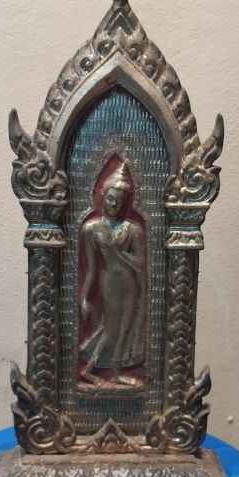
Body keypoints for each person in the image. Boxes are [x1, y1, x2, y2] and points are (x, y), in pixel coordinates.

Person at [79, 162, 146, 386]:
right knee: (110, 330)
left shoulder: (133, 230)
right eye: (110, 198)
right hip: (110, 283)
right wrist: (85, 299)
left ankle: (116, 374)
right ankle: (88, 370)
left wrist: (121, 253)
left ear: (125, 202)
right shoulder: (92, 229)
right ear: (102, 196)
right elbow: (91, 270)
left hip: (129, 285)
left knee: (125, 329)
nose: (113, 204)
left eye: (118, 200)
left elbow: (141, 263)